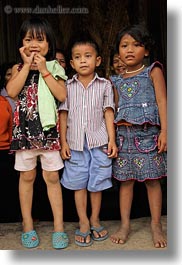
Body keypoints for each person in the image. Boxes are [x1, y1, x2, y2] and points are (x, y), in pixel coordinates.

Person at [6, 17, 69, 249]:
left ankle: (59, 227)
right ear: (21, 43)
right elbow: (12, 92)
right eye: (28, 39)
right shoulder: (17, 69)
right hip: (24, 135)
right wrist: (24, 67)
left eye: (40, 40)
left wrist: (44, 70)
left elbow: (62, 96)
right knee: (27, 177)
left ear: (48, 45)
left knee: (52, 178)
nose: (34, 44)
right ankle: (27, 225)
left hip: (49, 133)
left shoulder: (55, 67)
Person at [110, 24, 167, 248]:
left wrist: (166, 131)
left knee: (153, 181)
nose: (130, 49)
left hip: (149, 136)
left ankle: (156, 224)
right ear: (118, 51)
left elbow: (162, 101)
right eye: (124, 45)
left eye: (136, 44)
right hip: (123, 137)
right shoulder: (115, 80)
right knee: (126, 183)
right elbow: (112, 109)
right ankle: (125, 224)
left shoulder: (153, 70)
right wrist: (111, 138)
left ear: (147, 50)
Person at [59, 32, 118, 247]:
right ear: (72, 63)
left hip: (99, 142)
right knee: (78, 183)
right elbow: (63, 114)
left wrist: (111, 140)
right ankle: (83, 221)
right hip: (75, 144)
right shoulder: (66, 86)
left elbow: (108, 113)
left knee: (97, 182)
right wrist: (64, 142)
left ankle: (95, 218)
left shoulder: (104, 85)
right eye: (77, 57)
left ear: (98, 60)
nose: (83, 60)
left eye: (88, 55)